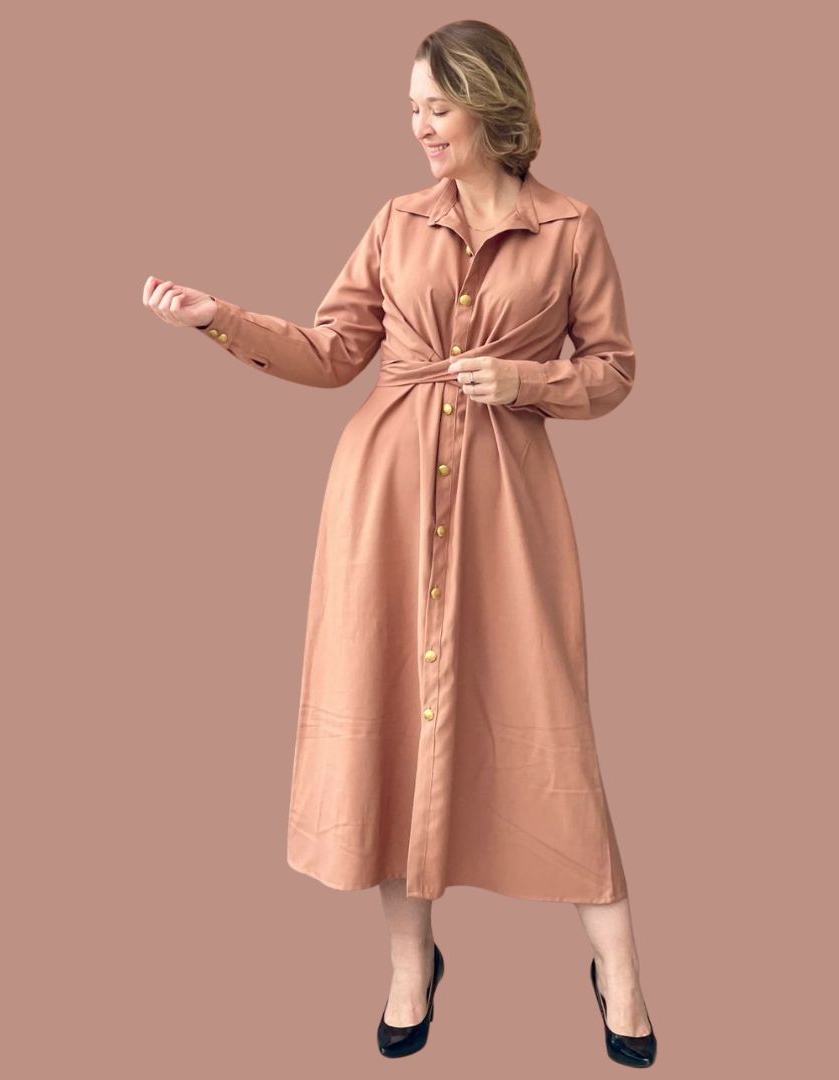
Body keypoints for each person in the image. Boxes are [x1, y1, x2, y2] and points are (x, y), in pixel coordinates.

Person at [142, 18, 656, 1068]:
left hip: (508, 509)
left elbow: (613, 369)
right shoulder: (395, 221)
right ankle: (410, 967)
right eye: (412, 108)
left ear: (491, 108)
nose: (420, 126)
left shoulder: (572, 229)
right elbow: (336, 353)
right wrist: (217, 319)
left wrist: (526, 380)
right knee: (392, 724)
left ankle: (623, 976)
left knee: (548, 724)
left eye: (437, 106)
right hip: (380, 500)